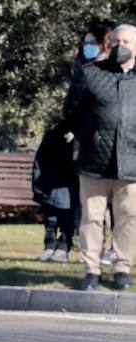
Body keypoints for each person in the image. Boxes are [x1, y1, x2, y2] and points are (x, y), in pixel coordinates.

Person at [61, 23, 136, 291]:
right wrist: (87, 135)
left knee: (129, 216)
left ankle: (122, 267)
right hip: (94, 159)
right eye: (116, 41)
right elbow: (71, 111)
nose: (120, 47)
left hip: (131, 160)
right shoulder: (90, 74)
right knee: (92, 217)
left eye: (126, 42)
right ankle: (92, 268)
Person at [32, 123, 77, 263]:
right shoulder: (53, 136)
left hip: (68, 187)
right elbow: (40, 161)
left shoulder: (78, 136)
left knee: (65, 220)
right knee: (51, 220)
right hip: (51, 186)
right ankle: (51, 246)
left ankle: (62, 247)